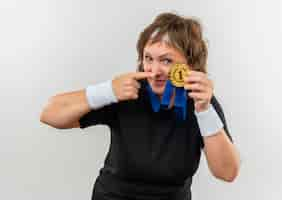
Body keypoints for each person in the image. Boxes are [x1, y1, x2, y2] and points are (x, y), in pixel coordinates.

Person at [40, 12, 240, 200]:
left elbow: (227, 173)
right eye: (148, 58)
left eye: (166, 60)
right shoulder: (128, 92)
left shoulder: (201, 103)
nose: (154, 70)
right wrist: (107, 91)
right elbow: (50, 114)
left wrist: (204, 111)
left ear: (190, 65)